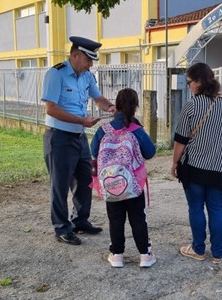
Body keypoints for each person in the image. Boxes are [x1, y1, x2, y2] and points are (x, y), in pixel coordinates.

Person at [42, 36, 116, 245]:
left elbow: (98, 99)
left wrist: (110, 107)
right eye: (88, 60)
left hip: (79, 137)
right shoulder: (56, 74)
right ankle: (62, 228)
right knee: (60, 184)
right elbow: (51, 108)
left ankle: (80, 221)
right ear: (75, 55)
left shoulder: (86, 76)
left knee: (85, 179)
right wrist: (81, 120)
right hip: (59, 137)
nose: (91, 64)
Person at [172, 62, 222, 264]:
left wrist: (175, 163)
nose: (189, 86)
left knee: (195, 207)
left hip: (194, 167)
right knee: (216, 209)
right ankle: (218, 253)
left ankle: (198, 249)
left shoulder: (192, 105)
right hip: (219, 168)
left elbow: (181, 139)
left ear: (200, 82)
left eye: (190, 82)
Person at [90, 88, 157, 268]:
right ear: (135, 106)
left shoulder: (103, 130)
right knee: (138, 218)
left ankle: (117, 255)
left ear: (116, 105)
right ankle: (145, 255)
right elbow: (150, 152)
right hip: (133, 184)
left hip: (111, 183)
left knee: (115, 218)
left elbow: (93, 151)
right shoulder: (136, 130)